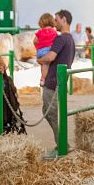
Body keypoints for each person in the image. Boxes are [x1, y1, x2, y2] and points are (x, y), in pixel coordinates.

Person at [38, 9, 75, 157]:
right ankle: (62, 144)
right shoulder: (70, 39)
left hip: (53, 81)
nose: (55, 22)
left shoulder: (60, 39)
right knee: (49, 112)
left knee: (51, 113)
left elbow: (50, 57)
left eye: (57, 19)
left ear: (64, 19)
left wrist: (40, 60)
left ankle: (62, 146)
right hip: (60, 81)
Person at [33, 13, 57, 86]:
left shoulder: (40, 31)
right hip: (48, 50)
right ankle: (43, 79)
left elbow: (35, 41)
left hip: (40, 51)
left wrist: (37, 47)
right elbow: (56, 41)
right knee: (46, 64)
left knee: (43, 65)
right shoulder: (53, 31)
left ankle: (43, 76)